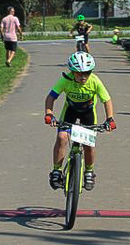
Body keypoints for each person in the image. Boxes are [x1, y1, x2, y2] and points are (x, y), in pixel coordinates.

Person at [44, 52, 116, 192]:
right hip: (70, 111)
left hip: (88, 113)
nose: (83, 76)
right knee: (62, 137)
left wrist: (110, 119)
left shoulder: (94, 81)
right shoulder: (66, 80)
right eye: (79, 73)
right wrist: (49, 113)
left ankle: (89, 172)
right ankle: (57, 171)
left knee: (89, 145)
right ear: (72, 72)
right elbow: (51, 97)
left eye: (87, 73)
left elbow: (106, 100)